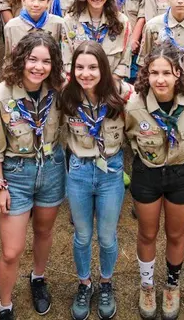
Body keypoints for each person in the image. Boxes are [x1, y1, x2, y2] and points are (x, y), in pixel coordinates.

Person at [0, 31, 67, 320]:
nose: (38, 67)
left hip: (52, 168)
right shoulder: (1, 96)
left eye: (46, 61)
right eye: (32, 59)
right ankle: (5, 304)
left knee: (44, 231)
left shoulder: (58, 90)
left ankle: (38, 277)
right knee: (11, 250)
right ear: (21, 59)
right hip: (15, 174)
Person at [125, 44, 184, 320]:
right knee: (147, 233)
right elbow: (125, 136)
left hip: (182, 173)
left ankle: (172, 284)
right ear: (146, 74)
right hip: (148, 174)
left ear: (177, 74)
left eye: (167, 73)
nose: (160, 79)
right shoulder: (133, 105)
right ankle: (147, 286)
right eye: (154, 72)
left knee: (176, 233)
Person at [59, 42, 132, 320]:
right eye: (79, 67)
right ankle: (84, 283)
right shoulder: (66, 96)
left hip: (111, 172)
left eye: (92, 67)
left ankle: (105, 283)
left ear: (103, 68)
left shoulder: (122, 93)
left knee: (106, 235)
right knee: (82, 236)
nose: (86, 73)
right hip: (78, 170)